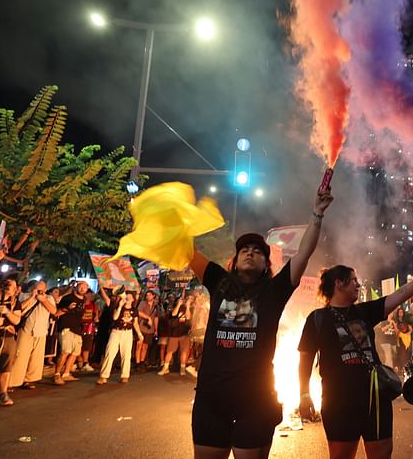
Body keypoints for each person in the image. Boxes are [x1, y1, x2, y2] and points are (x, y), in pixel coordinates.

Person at [187, 183, 332, 459]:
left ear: (267, 264)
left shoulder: (274, 291)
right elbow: (187, 251)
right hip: (211, 399)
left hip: (256, 401)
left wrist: (317, 214)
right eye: (244, 249)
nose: (250, 252)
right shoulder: (217, 280)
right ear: (235, 260)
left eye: (258, 251)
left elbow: (303, 253)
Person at [298, 261, 413, 459]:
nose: (358, 285)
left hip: (376, 399)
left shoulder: (364, 311)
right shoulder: (317, 319)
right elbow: (305, 359)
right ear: (338, 283)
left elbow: (399, 295)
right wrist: (304, 394)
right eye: (354, 281)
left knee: (382, 454)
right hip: (339, 402)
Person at [10, 279, 56, 390]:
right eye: (37, 289)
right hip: (26, 330)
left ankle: (28, 379)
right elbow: (20, 308)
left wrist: (44, 300)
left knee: (36, 358)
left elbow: (53, 311)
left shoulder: (49, 298)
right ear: (33, 288)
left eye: (42, 290)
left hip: (40, 331)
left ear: (45, 290)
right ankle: (13, 381)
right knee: (20, 356)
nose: (40, 292)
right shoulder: (24, 296)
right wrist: (32, 297)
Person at [97, 290, 143, 384]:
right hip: (116, 332)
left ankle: (125, 375)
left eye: (130, 297)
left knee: (126, 355)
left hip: (127, 333)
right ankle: (104, 376)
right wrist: (120, 306)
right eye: (126, 297)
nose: (128, 298)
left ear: (133, 299)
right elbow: (115, 317)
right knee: (110, 353)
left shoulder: (134, 310)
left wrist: (139, 334)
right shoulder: (118, 307)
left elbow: (135, 323)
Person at [53, 280, 88, 385]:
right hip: (66, 327)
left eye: (84, 287)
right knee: (65, 351)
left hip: (77, 328)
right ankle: (57, 374)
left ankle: (66, 373)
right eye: (80, 287)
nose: (82, 289)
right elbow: (57, 312)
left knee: (75, 352)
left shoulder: (84, 300)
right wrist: (67, 309)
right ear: (76, 287)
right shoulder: (68, 298)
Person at [0, 275, 22, 406]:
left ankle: (3, 393)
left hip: (7, 337)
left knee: (6, 366)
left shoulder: (14, 303)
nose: (12, 289)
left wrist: (6, 312)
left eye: (13, 286)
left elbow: (17, 320)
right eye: (10, 285)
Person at [158, 290, 192, 377]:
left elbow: (188, 317)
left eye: (184, 300)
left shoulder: (189, 308)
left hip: (185, 333)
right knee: (170, 351)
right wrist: (178, 304)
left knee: (184, 351)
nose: (183, 301)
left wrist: (187, 306)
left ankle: (182, 368)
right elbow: (173, 314)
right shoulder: (175, 307)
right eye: (181, 300)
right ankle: (165, 368)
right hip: (174, 333)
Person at [136, 289, 159, 372]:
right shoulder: (142, 303)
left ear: (153, 296)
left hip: (150, 329)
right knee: (139, 345)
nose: (148, 296)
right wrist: (148, 317)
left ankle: (142, 362)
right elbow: (138, 312)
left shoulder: (156, 306)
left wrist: (156, 329)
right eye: (147, 295)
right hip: (141, 327)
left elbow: (156, 318)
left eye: (149, 295)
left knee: (145, 346)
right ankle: (137, 363)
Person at [78, 289, 98, 372]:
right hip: (79, 327)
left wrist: (96, 318)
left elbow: (96, 314)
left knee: (87, 346)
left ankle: (85, 363)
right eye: (90, 294)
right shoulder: (80, 304)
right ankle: (78, 362)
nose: (91, 296)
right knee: (78, 345)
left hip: (89, 328)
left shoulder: (93, 305)